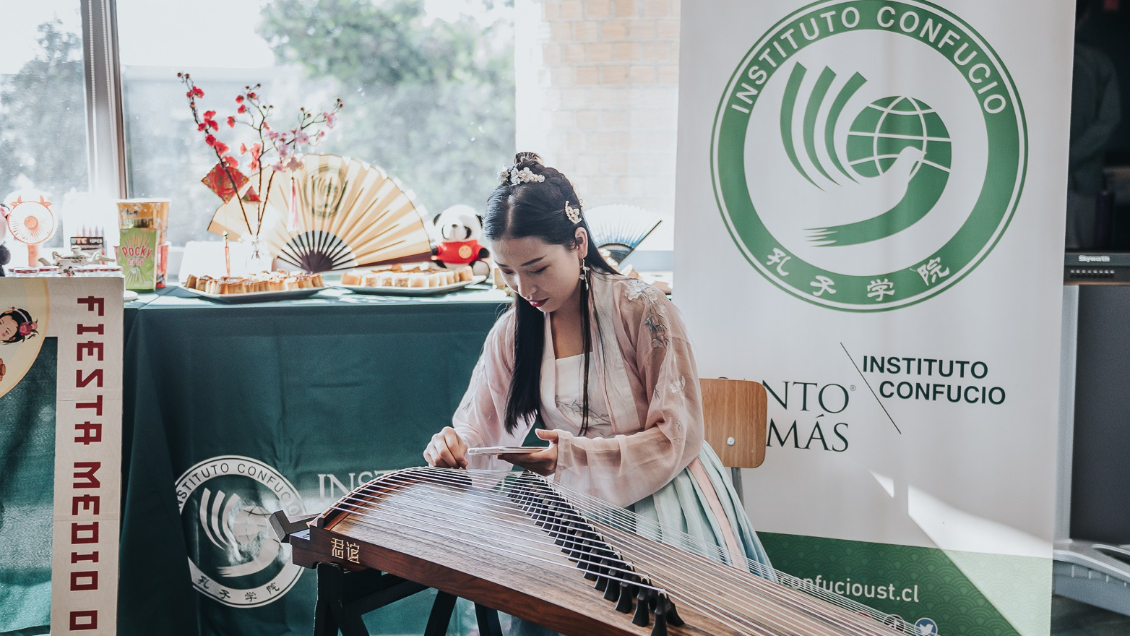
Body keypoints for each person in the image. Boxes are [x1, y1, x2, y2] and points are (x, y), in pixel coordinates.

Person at [423, 154, 774, 615]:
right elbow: (479, 432)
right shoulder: (513, 331)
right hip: (577, 507)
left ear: (578, 242)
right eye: (507, 272)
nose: (524, 288)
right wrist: (455, 447)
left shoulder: (643, 309)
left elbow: (679, 434)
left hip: (666, 495)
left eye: (537, 267)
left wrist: (573, 457)